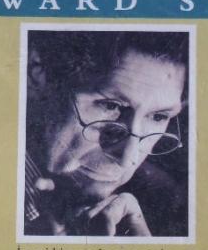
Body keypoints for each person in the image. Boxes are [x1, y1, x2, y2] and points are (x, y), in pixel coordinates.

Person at [23, 30, 189, 238]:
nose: (128, 158)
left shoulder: (167, 205)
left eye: (158, 117)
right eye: (111, 105)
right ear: (37, 73)